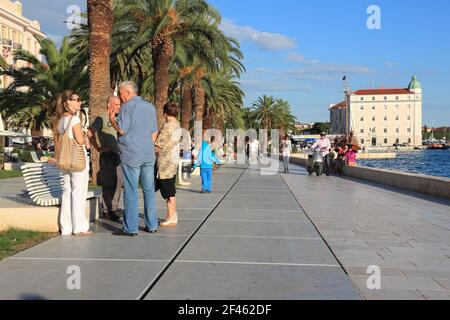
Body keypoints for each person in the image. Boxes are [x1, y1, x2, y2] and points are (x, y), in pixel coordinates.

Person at [109, 81, 159, 237]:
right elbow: (154, 132)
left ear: (128, 93)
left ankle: (130, 228)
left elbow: (122, 130)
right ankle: (152, 225)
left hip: (131, 153)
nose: (120, 96)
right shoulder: (150, 107)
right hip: (148, 153)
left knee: (130, 189)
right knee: (149, 190)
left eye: (121, 92)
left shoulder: (127, 106)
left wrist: (112, 119)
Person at [52, 90, 92, 236]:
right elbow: (80, 140)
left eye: (79, 99)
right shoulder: (74, 120)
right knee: (78, 193)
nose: (79, 102)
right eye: (76, 99)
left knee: (67, 192)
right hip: (77, 161)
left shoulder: (60, 120)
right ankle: (79, 227)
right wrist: (86, 136)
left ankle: (66, 227)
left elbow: (57, 141)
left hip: (64, 161)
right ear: (67, 102)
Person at [87, 96, 122, 222]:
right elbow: (90, 133)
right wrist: (98, 148)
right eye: (117, 104)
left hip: (118, 155)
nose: (119, 107)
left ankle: (114, 208)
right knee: (108, 184)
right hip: (107, 156)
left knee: (118, 183)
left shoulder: (118, 119)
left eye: (120, 104)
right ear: (109, 105)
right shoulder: (101, 118)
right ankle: (108, 211)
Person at [155, 103, 181, 227]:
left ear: (165, 112)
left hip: (165, 162)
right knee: (170, 188)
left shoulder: (167, 126)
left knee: (168, 191)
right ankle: (172, 214)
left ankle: (171, 216)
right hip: (173, 161)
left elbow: (159, 145)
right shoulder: (178, 125)